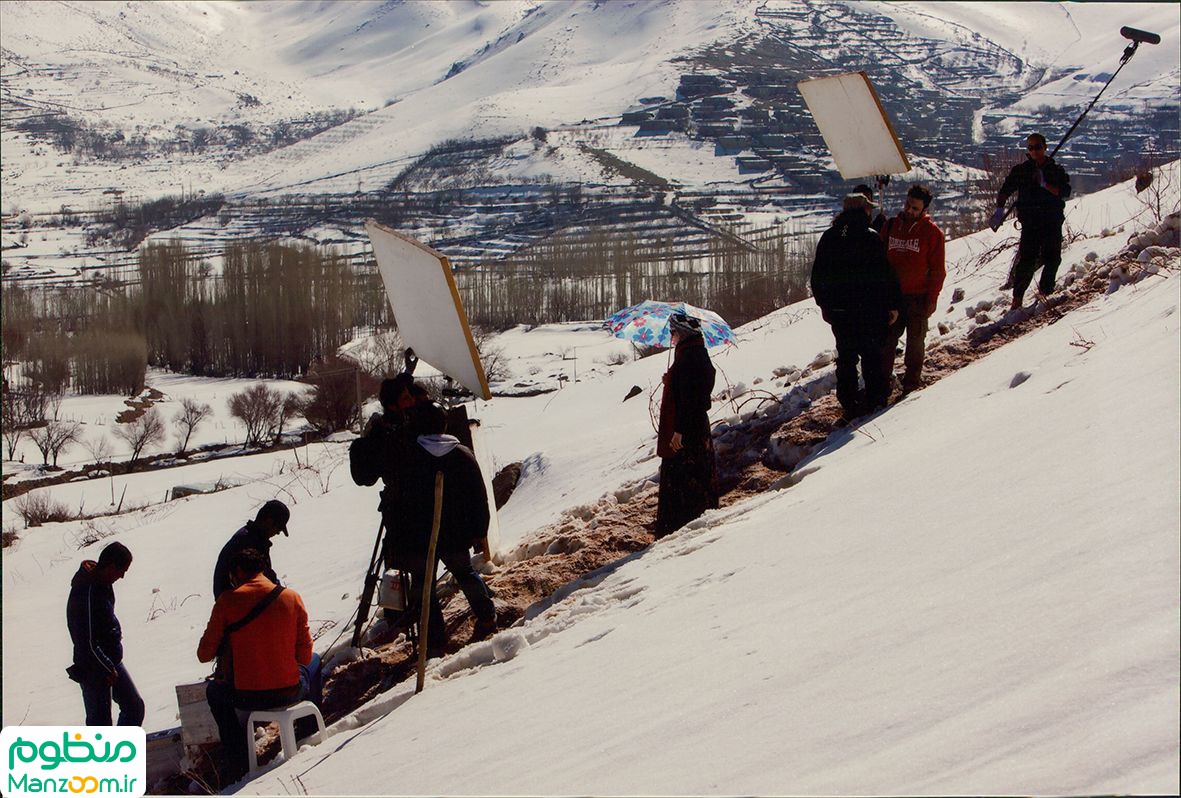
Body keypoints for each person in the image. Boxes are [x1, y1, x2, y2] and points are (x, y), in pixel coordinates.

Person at [383, 401, 497, 656]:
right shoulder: (462, 454)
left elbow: (400, 502)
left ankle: (435, 642)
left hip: (420, 536)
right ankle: (487, 616)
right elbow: (480, 497)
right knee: (465, 573)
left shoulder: (411, 457)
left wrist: (398, 539)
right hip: (456, 533)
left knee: (425, 587)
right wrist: (480, 529)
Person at [197, 547, 317, 783]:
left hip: (246, 697)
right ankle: (308, 731)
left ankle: (238, 756)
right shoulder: (291, 597)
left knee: (214, 691)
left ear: (238, 572)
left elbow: (204, 654)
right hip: (289, 690)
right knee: (314, 662)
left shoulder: (226, 602)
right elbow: (304, 657)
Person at [811, 193, 902, 420]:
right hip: (869, 310)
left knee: (847, 356)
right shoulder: (870, 236)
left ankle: (849, 402)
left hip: (841, 313)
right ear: (864, 211)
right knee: (871, 355)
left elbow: (818, 276)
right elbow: (884, 274)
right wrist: (892, 304)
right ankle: (875, 400)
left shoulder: (832, 236)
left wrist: (825, 305)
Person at [654, 312, 719, 538]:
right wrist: (671, 379)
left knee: (685, 479)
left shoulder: (690, 356)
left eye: (672, 332)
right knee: (694, 476)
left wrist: (679, 431)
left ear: (682, 332)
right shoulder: (693, 352)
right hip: (694, 426)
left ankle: (682, 527)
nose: (671, 336)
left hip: (687, 430)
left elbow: (692, 398)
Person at [66, 541, 145, 727]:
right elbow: (86, 642)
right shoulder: (86, 592)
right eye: (121, 571)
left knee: (134, 707)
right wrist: (107, 667)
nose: (122, 576)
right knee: (100, 724)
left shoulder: (102, 584)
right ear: (110, 566)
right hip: (93, 665)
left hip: (110, 661)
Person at [991, 133, 1072, 309]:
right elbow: (1006, 190)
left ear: (1045, 147)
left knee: (1052, 258)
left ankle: (1045, 293)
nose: (1034, 151)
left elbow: (1065, 191)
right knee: (1027, 260)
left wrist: (1045, 185)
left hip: (1051, 221)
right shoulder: (1022, 171)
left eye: (1037, 147)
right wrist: (999, 210)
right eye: (1031, 148)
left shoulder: (1055, 171)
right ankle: (1017, 298)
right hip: (1030, 223)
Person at [881, 184, 946, 393]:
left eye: (915, 208)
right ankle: (881, 386)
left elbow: (937, 270)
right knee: (886, 342)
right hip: (892, 298)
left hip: (918, 297)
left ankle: (911, 385)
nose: (909, 210)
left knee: (916, 343)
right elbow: (880, 261)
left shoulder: (932, 233)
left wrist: (932, 299)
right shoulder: (891, 226)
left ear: (924, 210)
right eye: (908, 205)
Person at [212, 499, 289, 599]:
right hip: (236, 605)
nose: (278, 533)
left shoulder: (254, 537)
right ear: (269, 522)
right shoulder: (249, 543)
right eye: (278, 528)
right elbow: (261, 580)